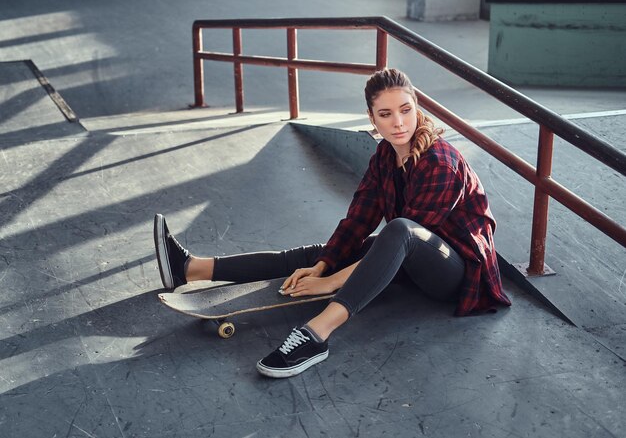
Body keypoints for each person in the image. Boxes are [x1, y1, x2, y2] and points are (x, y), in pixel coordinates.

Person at [154, 68, 511, 379]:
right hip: (410, 254)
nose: (398, 122)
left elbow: (412, 231)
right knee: (318, 254)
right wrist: (322, 265)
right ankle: (190, 269)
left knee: (399, 229)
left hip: (456, 272)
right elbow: (359, 218)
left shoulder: (440, 163)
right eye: (386, 114)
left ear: (416, 108)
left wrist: (332, 281)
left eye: (405, 110)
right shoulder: (385, 155)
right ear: (372, 119)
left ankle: (315, 336)